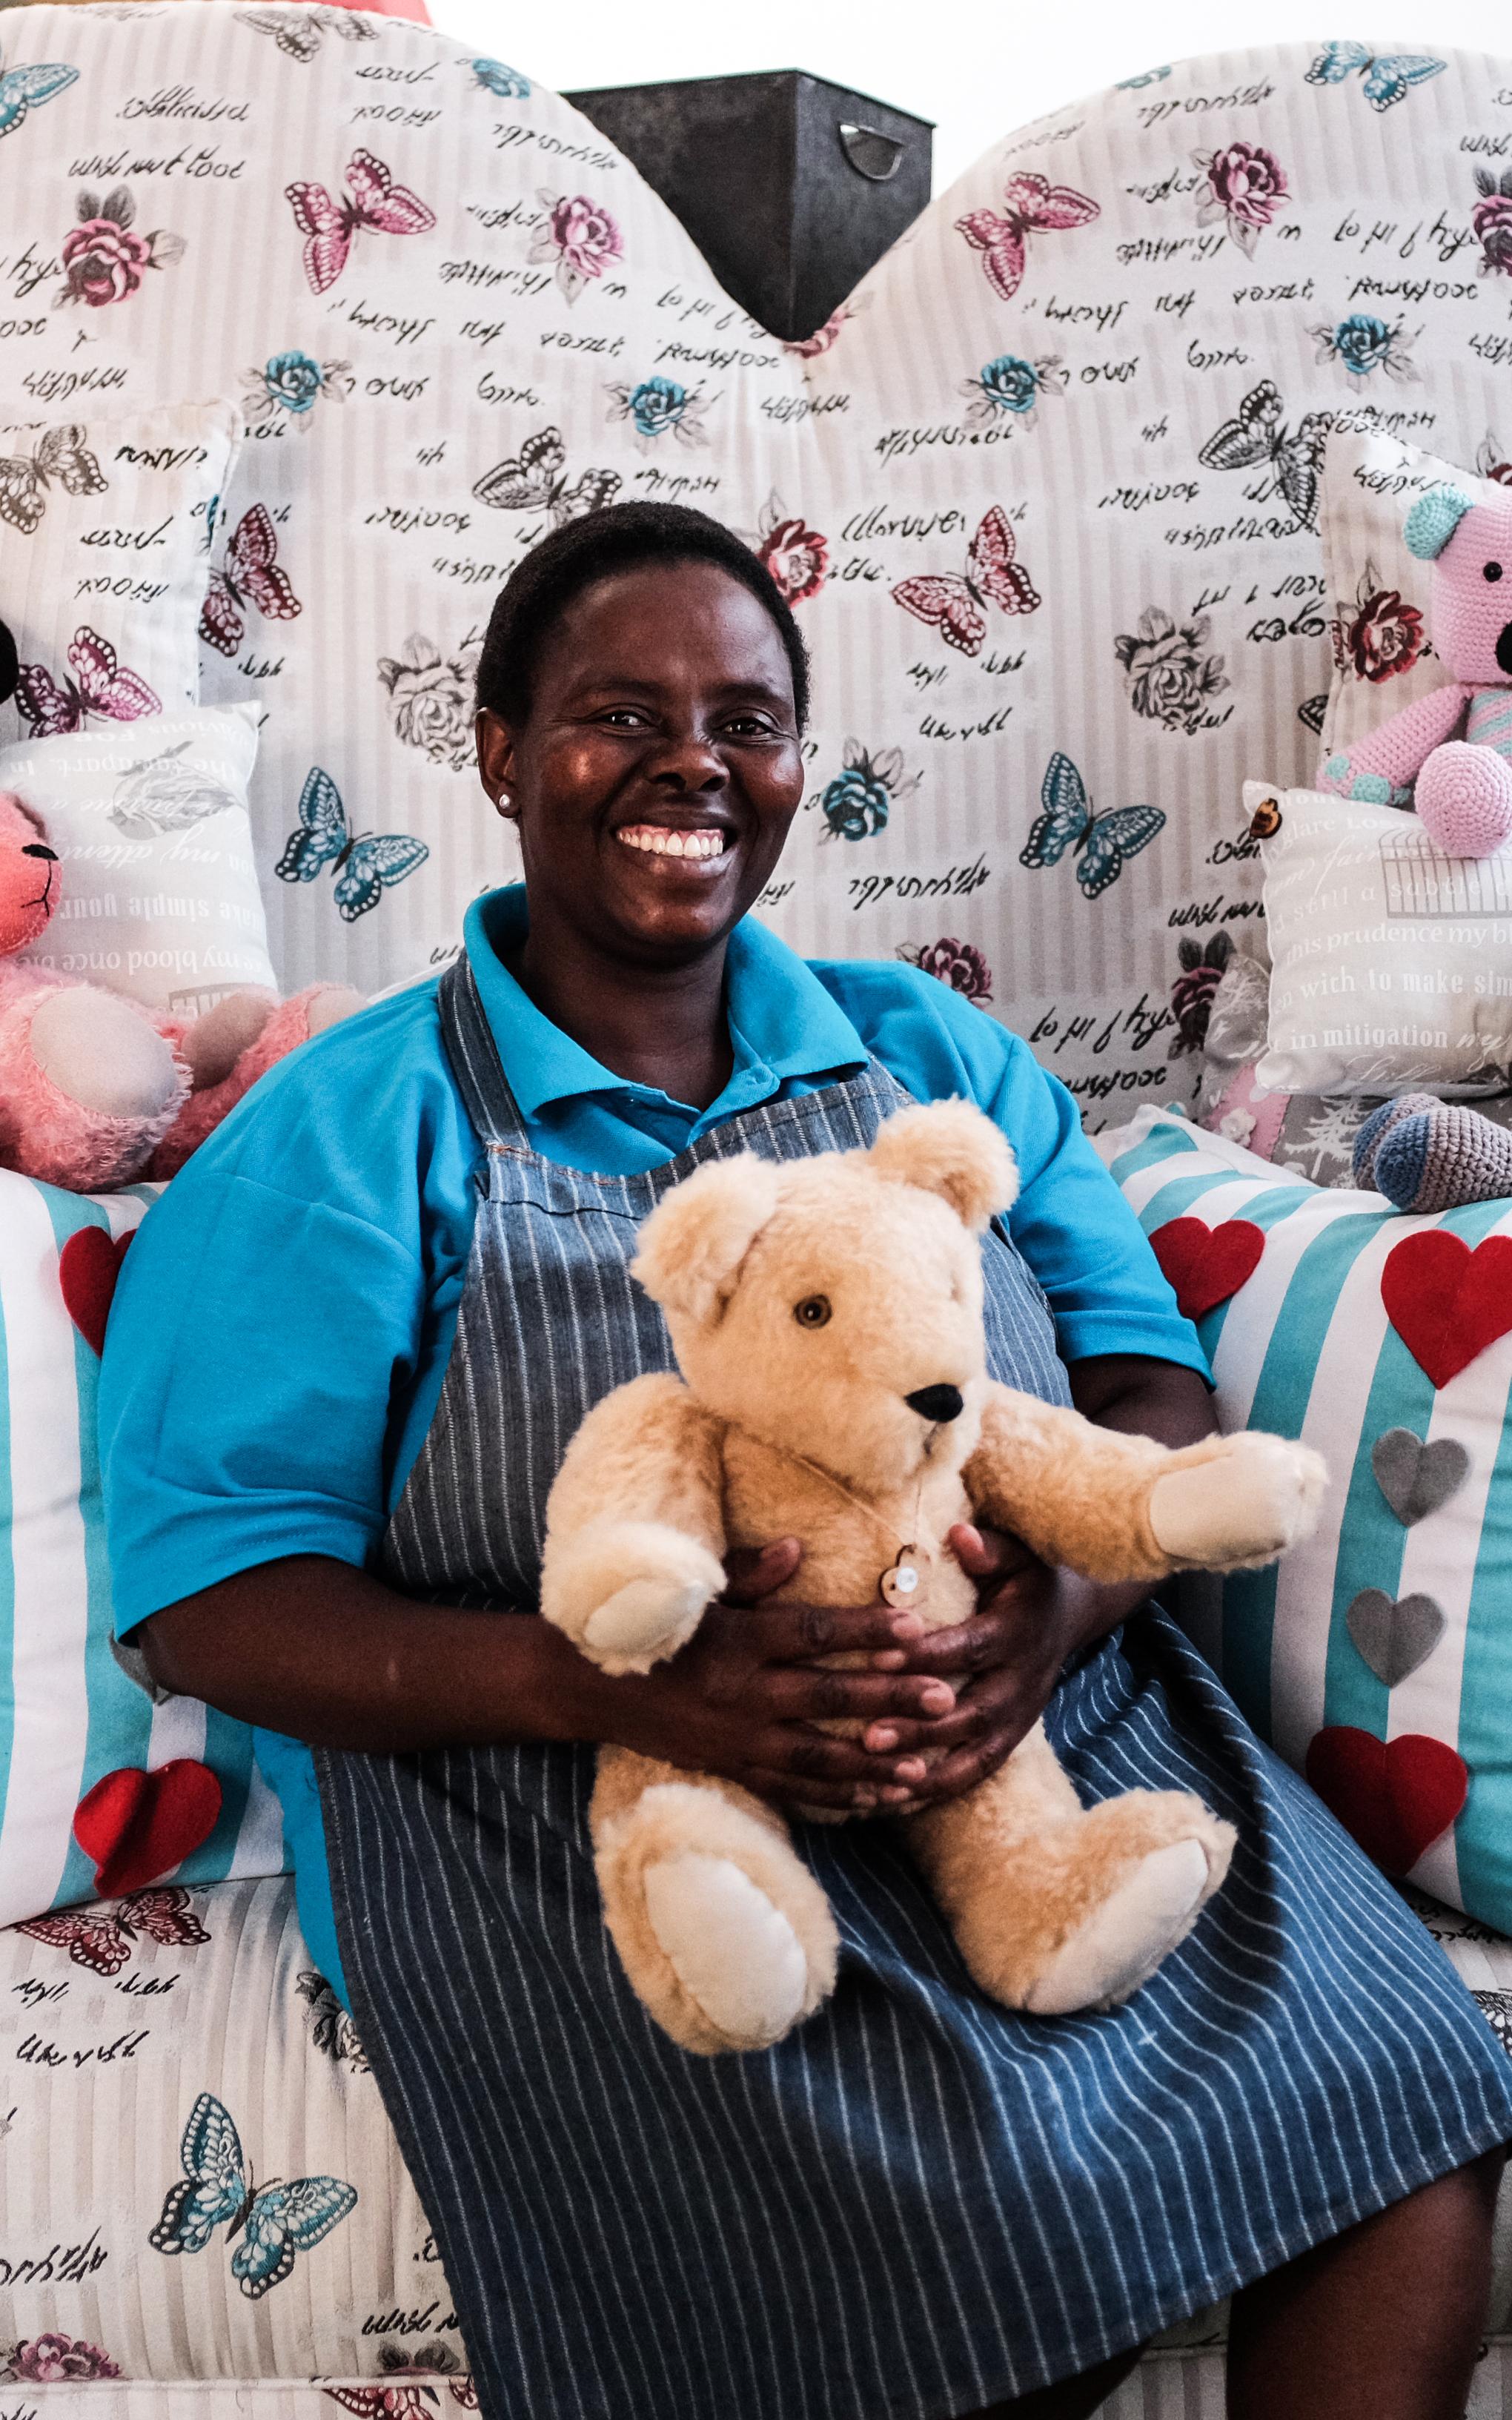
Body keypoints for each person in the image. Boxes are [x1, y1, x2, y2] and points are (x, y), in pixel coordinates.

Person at [101, 503, 1512, 2420]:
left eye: (746, 719)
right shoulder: (354, 1138)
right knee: (953, 2260)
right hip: (576, 1816)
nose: (693, 761)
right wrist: (633, 1682)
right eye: (618, 713)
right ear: (504, 753)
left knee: (1409, 2102)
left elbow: (1150, 1398)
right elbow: (208, 1603)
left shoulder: (926, 1047)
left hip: (1043, 1734)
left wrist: (1059, 1620)